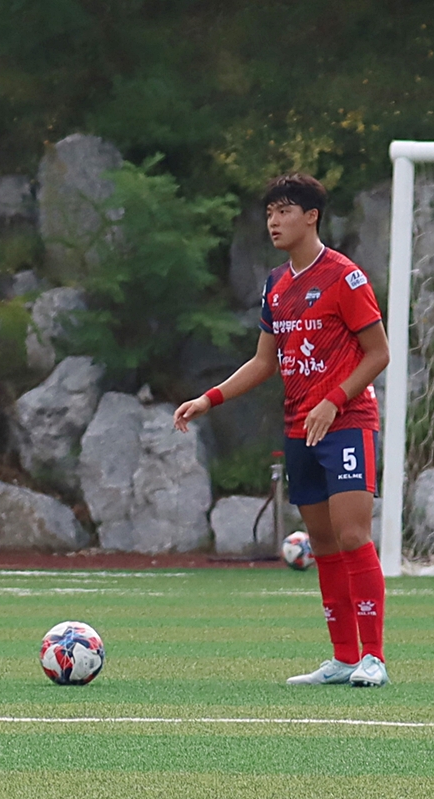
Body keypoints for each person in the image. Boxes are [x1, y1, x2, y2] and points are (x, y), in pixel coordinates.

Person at [173, 173, 391, 687]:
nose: (274, 221)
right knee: (322, 541)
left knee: (353, 534)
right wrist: (209, 398)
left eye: (285, 211)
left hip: (347, 423)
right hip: (300, 428)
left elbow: (378, 353)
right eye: (270, 212)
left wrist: (334, 401)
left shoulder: (345, 277)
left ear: (311, 217)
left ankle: (374, 658)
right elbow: (263, 362)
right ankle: (343, 658)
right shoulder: (276, 284)